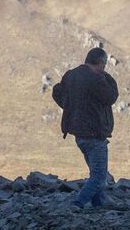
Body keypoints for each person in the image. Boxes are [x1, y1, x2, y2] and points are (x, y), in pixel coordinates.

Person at [51, 47, 119, 208]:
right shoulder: (96, 79)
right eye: (104, 64)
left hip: (79, 134)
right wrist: (107, 77)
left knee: (96, 173)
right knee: (99, 176)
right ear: (101, 62)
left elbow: (56, 91)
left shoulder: (71, 75)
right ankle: (77, 203)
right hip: (94, 134)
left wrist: (69, 107)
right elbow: (111, 97)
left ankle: (99, 206)